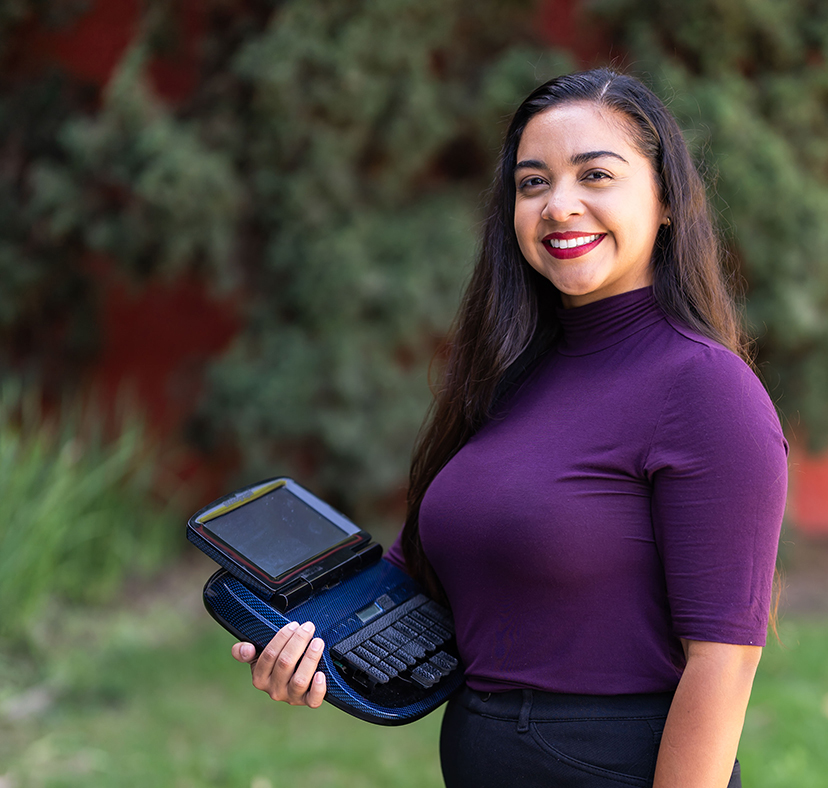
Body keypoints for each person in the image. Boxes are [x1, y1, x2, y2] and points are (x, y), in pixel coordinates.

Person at [231, 68, 788, 788]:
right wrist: (314, 647)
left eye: (596, 175)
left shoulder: (706, 388)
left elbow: (725, 661)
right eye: (533, 184)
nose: (560, 205)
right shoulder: (513, 373)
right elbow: (424, 583)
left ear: (670, 200)